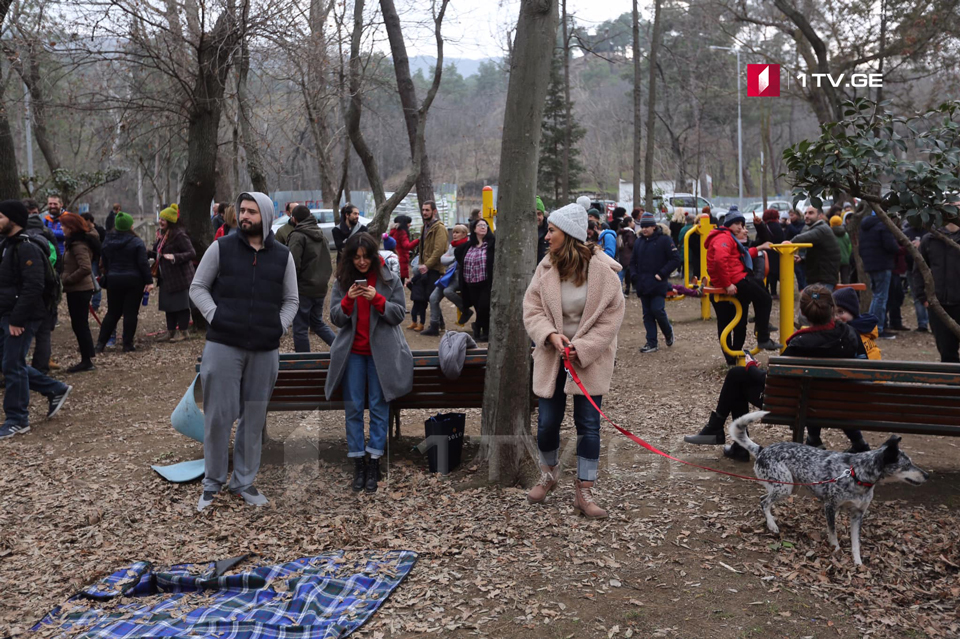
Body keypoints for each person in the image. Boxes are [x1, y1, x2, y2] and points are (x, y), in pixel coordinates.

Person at [190, 191, 299, 511]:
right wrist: (216, 316)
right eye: (242, 210)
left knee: (253, 418)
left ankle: (244, 482)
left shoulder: (282, 256)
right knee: (218, 418)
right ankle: (212, 483)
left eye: (252, 211)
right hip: (223, 345)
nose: (245, 216)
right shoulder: (221, 248)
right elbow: (198, 287)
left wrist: (278, 326)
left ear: (265, 215)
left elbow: (291, 300)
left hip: (265, 349)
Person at [683, 284, 870, 460]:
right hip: (841, 404)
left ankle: (728, 435)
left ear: (804, 313)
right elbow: (864, 369)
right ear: (832, 308)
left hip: (796, 406)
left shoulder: (799, 344)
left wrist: (752, 367)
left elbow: (772, 381)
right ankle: (722, 432)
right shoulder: (850, 334)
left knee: (738, 377)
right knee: (739, 375)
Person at [523, 202, 625, 519]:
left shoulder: (604, 273)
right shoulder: (545, 269)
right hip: (552, 355)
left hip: (588, 360)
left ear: (567, 234)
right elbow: (532, 309)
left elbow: (611, 320)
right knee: (547, 423)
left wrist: (581, 348)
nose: (546, 236)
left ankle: (585, 491)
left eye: (551, 230)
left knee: (589, 426)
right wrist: (551, 336)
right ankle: (549, 475)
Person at [326, 232, 412, 493]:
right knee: (353, 407)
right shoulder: (342, 282)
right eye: (356, 258)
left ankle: (374, 459)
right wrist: (348, 300)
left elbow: (398, 315)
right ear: (349, 259)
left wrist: (376, 298)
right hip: (353, 353)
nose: (361, 262)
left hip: (381, 354)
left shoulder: (389, 279)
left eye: (366, 257)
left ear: (374, 257)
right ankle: (358, 461)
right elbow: (336, 318)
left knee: (377, 405)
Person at [0, 200, 71, 439]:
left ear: (14, 220)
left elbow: (33, 286)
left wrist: (17, 319)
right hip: (7, 314)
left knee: (12, 364)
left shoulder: (26, 247)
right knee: (10, 362)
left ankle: (17, 419)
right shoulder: (6, 245)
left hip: (23, 317)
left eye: (0, 217)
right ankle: (55, 389)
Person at [705, 208, 779, 365]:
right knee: (728, 321)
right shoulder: (724, 238)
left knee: (743, 319)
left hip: (737, 278)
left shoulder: (735, 242)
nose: (743, 229)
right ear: (729, 225)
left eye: (744, 225)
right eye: (738, 224)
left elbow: (746, 252)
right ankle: (742, 350)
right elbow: (720, 260)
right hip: (733, 281)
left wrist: (760, 230)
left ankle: (743, 349)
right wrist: (727, 284)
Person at [95, 211, 152, 354]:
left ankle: (101, 343)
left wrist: (110, 274)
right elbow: (143, 263)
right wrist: (149, 281)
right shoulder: (136, 242)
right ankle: (127, 344)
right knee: (130, 313)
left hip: (114, 279)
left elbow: (105, 262)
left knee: (112, 313)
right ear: (130, 226)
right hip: (134, 280)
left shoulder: (108, 241)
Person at [287, 204, 336, 353]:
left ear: (293, 219)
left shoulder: (298, 235)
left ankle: (303, 362)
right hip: (320, 287)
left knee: (300, 328)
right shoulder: (320, 234)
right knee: (317, 322)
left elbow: (292, 264)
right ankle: (341, 348)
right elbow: (327, 261)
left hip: (303, 288)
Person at [631, 212, 680, 353]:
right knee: (647, 314)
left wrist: (662, 273)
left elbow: (675, 259)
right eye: (643, 226)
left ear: (654, 226)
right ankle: (651, 342)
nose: (645, 229)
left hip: (658, 284)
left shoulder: (665, 240)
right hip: (643, 284)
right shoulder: (638, 241)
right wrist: (634, 276)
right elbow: (633, 261)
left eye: (648, 226)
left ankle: (668, 332)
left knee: (657, 310)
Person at [917, 206, 960, 362]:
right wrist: (924, 297)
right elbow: (919, 269)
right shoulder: (930, 239)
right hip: (939, 305)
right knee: (947, 353)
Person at [58, 213, 101, 373]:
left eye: (63, 226)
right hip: (76, 290)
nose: (61, 228)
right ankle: (87, 356)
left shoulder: (78, 245)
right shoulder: (73, 243)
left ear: (71, 227)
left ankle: (86, 360)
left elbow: (85, 267)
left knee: (80, 325)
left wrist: (67, 280)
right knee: (79, 325)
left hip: (79, 290)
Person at [23, 199, 61, 372]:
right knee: (44, 331)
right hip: (47, 289)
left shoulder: (15, 235)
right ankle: (41, 368)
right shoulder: (46, 232)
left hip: (21, 290)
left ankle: (16, 369)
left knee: (18, 332)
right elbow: (58, 259)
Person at [149, 204, 196, 342]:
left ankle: (183, 332)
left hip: (179, 277)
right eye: (160, 218)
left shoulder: (179, 234)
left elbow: (191, 253)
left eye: (164, 219)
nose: (160, 221)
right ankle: (170, 331)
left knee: (181, 306)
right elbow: (157, 251)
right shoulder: (162, 235)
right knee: (168, 305)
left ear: (170, 221)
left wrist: (175, 257)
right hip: (166, 276)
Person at [857, 210, 901, 337]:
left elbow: (860, 248)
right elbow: (890, 246)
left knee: (876, 296)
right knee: (881, 298)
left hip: (870, 266)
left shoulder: (864, 227)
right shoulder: (883, 226)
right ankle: (878, 328)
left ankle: (871, 325)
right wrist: (900, 248)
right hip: (882, 265)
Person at [422, 224, 470, 336]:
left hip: (459, 277)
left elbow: (458, 262)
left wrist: (451, 259)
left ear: (464, 234)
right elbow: (443, 259)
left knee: (447, 291)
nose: (454, 234)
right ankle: (434, 325)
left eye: (457, 232)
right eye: (453, 232)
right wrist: (453, 259)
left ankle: (465, 309)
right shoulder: (452, 246)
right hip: (448, 276)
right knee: (433, 297)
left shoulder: (467, 246)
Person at [454, 219, 495, 342]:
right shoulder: (469, 245)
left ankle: (479, 327)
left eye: (485, 225)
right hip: (470, 282)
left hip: (485, 282)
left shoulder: (492, 244)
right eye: (480, 225)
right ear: (474, 229)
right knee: (478, 307)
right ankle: (482, 331)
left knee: (484, 306)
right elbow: (457, 252)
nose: (483, 227)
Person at [783, 206, 840, 290]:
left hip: (823, 281)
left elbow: (799, 239)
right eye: (805, 213)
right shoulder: (817, 228)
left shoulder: (821, 229)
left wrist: (786, 244)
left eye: (811, 213)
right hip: (818, 279)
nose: (806, 216)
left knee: (819, 303)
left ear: (820, 216)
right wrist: (802, 259)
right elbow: (821, 255)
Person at [415, 200, 448, 329]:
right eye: (423, 210)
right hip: (426, 267)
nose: (424, 212)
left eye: (427, 210)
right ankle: (439, 323)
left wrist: (426, 265)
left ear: (434, 211)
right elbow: (422, 248)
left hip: (435, 268)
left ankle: (437, 324)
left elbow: (439, 250)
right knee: (428, 296)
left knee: (431, 296)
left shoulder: (439, 228)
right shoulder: (425, 227)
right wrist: (420, 264)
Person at [833, 287, 881, 361]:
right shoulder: (865, 328)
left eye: (840, 312)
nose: (836, 317)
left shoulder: (851, 335)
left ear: (852, 312)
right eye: (832, 313)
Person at [754, 209, 785, 297]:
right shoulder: (778, 227)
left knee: (767, 273)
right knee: (776, 273)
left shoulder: (764, 227)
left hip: (766, 252)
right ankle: (775, 292)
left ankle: (768, 291)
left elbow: (759, 239)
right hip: (777, 253)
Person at [81, 212, 106, 312]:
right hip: (87, 259)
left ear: (88, 221)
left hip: (95, 259)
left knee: (95, 280)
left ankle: (95, 304)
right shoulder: (83, 232)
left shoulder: (99, 231)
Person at [388, 214, 418, 282]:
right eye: (408, 223)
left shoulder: (394, 232)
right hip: (401, 261)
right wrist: (418, 241)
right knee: (400, 284)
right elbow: (407, 246)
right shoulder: (402, 233)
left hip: (394, 260)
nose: (410, 225)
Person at [831, 215, 853, 284]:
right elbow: (850, 247)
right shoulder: (846, 234)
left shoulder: (830, 234)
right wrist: (847, 256)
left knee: (834, 280)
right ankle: (846, 293)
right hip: (845, 260)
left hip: (833, 260)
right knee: (845, 279)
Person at [618, 216, 637, 295]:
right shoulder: (630, 232)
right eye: (632, 221)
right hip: (629, 255)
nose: (634, 223)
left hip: (622, 255)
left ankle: (619, 289)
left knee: (621, 274)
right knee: (629, 273)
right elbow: (631, 244)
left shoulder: (620, 232)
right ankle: (629, 289)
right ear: (629, 223)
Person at [536, 197, 549, 264]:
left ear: (543, 215)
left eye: (539, 214)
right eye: (534, 214)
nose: (536, 217)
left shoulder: (549, 231)